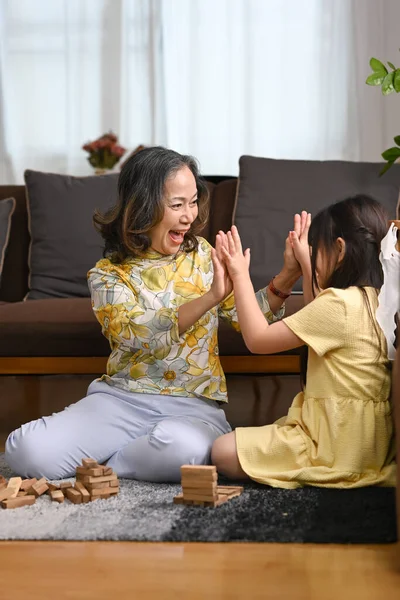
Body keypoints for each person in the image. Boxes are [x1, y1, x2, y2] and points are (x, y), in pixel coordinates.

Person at [5, 146, 302, 482]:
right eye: (177, 205)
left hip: (193, 406)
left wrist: (288, 276)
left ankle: (107, 465)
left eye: (193, 202)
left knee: (184, 450)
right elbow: (139, 335)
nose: (189, 215)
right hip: (120, 401)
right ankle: (135, 454)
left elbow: (244, 316)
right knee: (25, 451)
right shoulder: (107, 275)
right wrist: (210, 297)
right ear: (143, 207)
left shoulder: (202, 255)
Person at [211, 196, 396, 488]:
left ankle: (317, 469)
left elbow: (257, 340)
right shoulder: (376, 298)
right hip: (364, 446)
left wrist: (239, 275)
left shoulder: (339, 304)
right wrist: (307, 266)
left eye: (318, 252)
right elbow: (317, 315)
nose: (315, 260)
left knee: (222, 451)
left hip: (332, 446)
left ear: (340, 249)